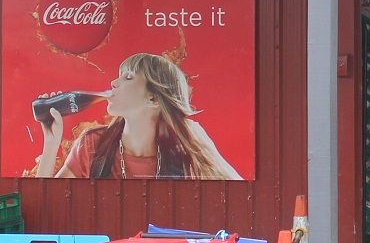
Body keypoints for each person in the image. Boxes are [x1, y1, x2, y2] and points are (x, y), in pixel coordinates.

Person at [37, 52, 242, 180]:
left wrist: (199, 140)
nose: (114, 83)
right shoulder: (92, 145)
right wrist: (51, 144)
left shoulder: (185, 154)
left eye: (128, 77)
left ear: (153, 99)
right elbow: (50, 203)